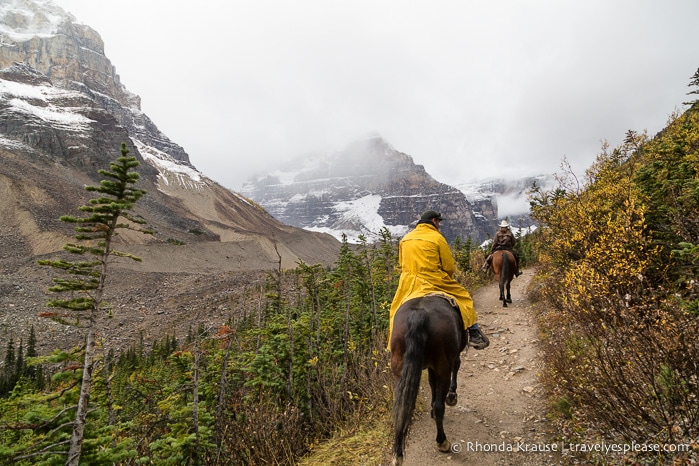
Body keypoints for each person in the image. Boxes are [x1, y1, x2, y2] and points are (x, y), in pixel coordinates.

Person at [387, 210, 489, 350]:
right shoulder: (437, 237)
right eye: (439, 222)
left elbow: (401, 264)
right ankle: (474, 332)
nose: (439, 225)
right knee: (464, 297)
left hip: (409, 283)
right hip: (434, 278)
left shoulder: (405, 239)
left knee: (395, 310)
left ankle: (393, 345)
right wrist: (445, 277)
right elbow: (448, 266)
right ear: (434, 221)